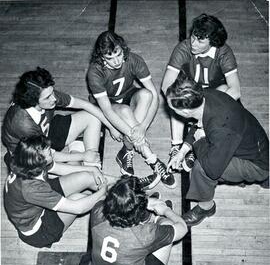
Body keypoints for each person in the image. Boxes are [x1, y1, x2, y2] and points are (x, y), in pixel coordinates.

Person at [166, 71, 269, 227]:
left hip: (257, 164)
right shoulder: (205, 96)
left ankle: (206, 208)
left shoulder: (221, 126)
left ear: (185, 112)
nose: (171, 111)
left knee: (201, 169)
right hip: (253, 144)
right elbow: (199, 124)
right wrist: (182, 152)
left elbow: (212, 170)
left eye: (173, 109)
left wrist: (200, 141)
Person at [80, 176, 187, 265]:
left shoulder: (97, 211)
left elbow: (106, 196)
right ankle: (152, 219)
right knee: (166, 227)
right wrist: (164, 210)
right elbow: (182, 228)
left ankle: (144, 216)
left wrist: (138, 202)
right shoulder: (146, 235)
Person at [87, 30, 176, 189]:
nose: (116, 61)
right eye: (110, 58)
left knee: (146, 95)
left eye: (119, 54)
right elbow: (106, 110)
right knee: (126, 112)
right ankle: (152, 159)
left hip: (127, 95)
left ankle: (126, 151)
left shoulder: (134, 59)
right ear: (101, 57)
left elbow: (155, 95)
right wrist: (111, 126)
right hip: (106, 104)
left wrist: (142, 128)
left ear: (122, 48)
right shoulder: (95, 72)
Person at [2, 67, 121, 169]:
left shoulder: (44, 92)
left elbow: (85, 104)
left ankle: (92, 165)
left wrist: (111, 126)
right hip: (31, 159)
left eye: (52, 93)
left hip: (46, 134)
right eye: (48, 97)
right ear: (33, 101)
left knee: (92, 116)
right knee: (75, 180)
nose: (54, 98)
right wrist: (83, 156)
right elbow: (47, 155)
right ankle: (81, 156)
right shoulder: (23, 124)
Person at [161, 13, 241, 166]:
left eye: (200, 40)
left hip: (213, 96)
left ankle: (200, 141)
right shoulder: (184, 48)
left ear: (213, 41)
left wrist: (208, 112)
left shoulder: (223, 52)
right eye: (193, 36)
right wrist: (182, 101)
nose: (193, 43)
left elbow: (236, 90)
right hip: (191, 94)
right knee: (175, 93)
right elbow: (166, 85)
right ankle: (176, 145)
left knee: (225, 90)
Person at [3, 135, 108, 248]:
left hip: (37, 202)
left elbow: (61, 169)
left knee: (85, 177)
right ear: (39, 160)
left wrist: (92, 169)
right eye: (48, 152)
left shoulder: (26, 163)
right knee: (78, 198)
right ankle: (118, 204)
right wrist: (101, 191)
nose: (52, 152)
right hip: (39, 231)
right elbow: (78, 208)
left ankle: (122, 183)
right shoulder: (31, 188)